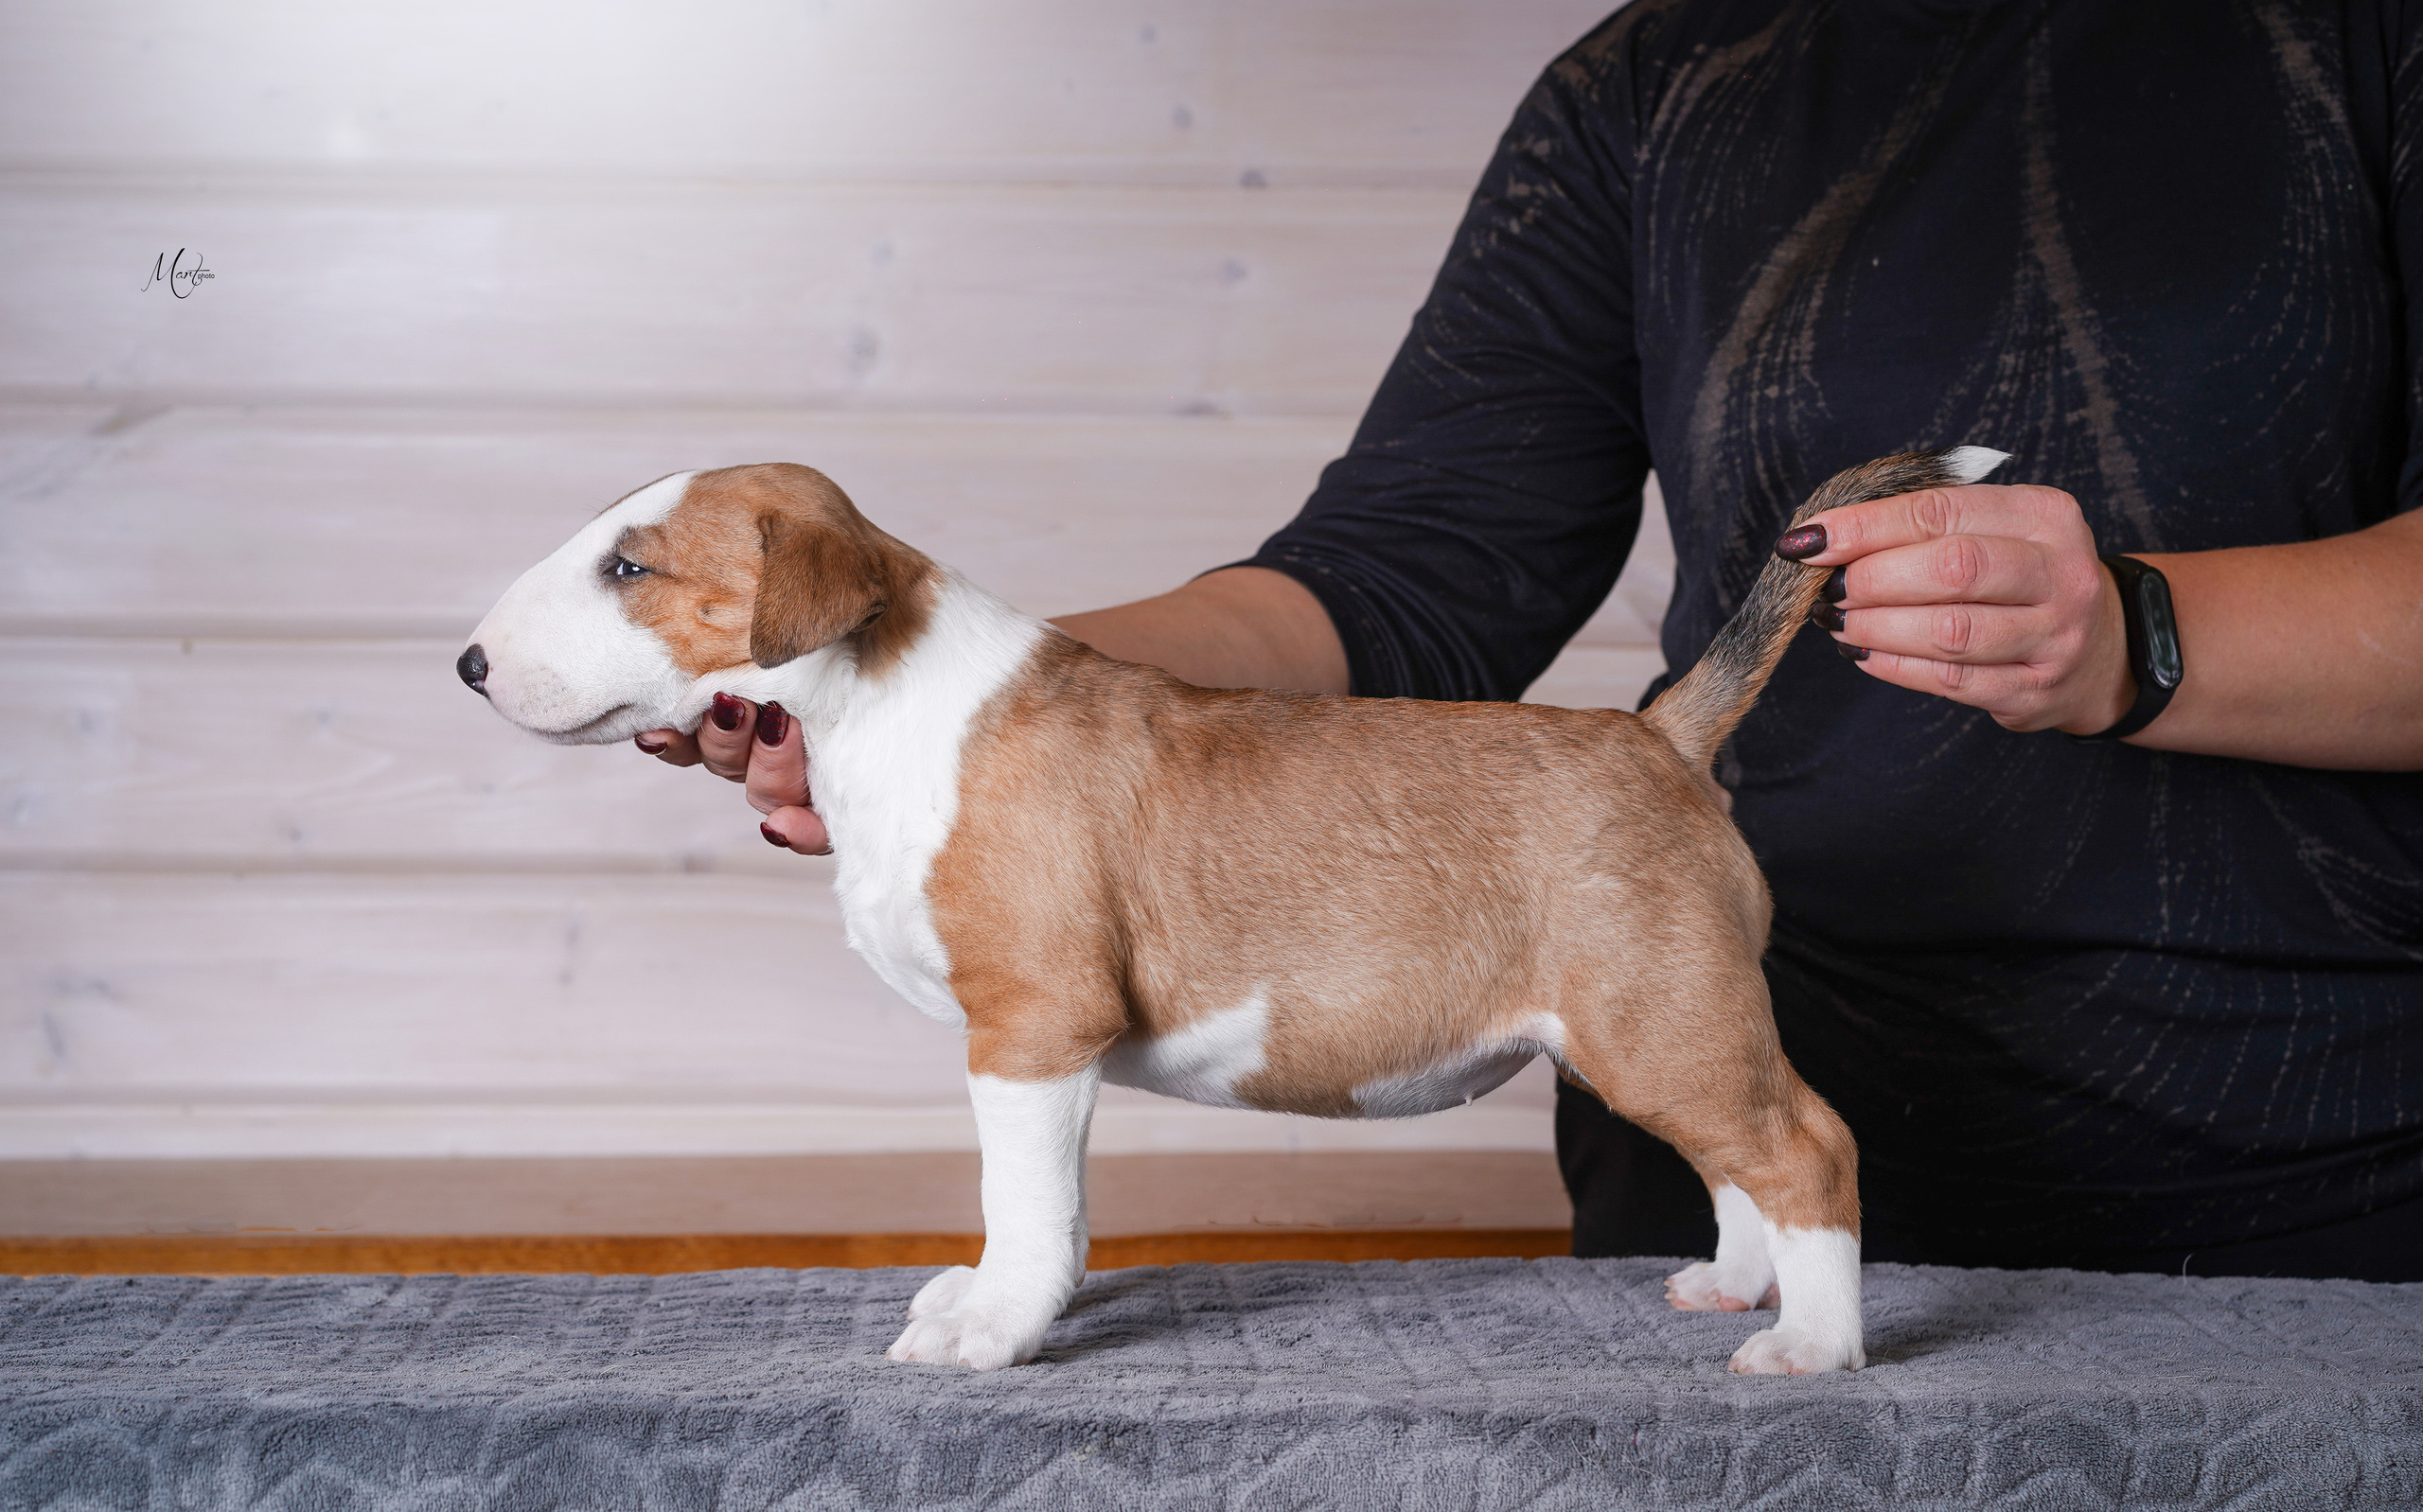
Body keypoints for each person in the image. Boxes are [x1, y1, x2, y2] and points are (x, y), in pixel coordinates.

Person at [643, 0, 2423, 1282]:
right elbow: (1402, 577)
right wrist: (935, 727)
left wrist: (2149, 636)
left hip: (2324, 1174)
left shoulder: (2358, 45)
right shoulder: (1657, 83)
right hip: (1707, 1115)